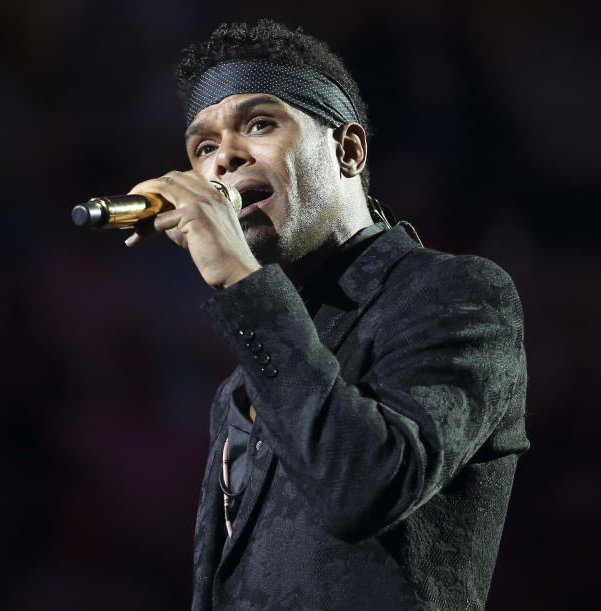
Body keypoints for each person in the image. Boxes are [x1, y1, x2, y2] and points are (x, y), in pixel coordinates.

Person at [124, 20, 529, 611]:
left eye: (259, 124)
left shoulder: (459, 293)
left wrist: (242, 280)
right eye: (203, 147)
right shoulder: (242, 382)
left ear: (348, 150)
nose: (223, 160)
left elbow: (362, 487)